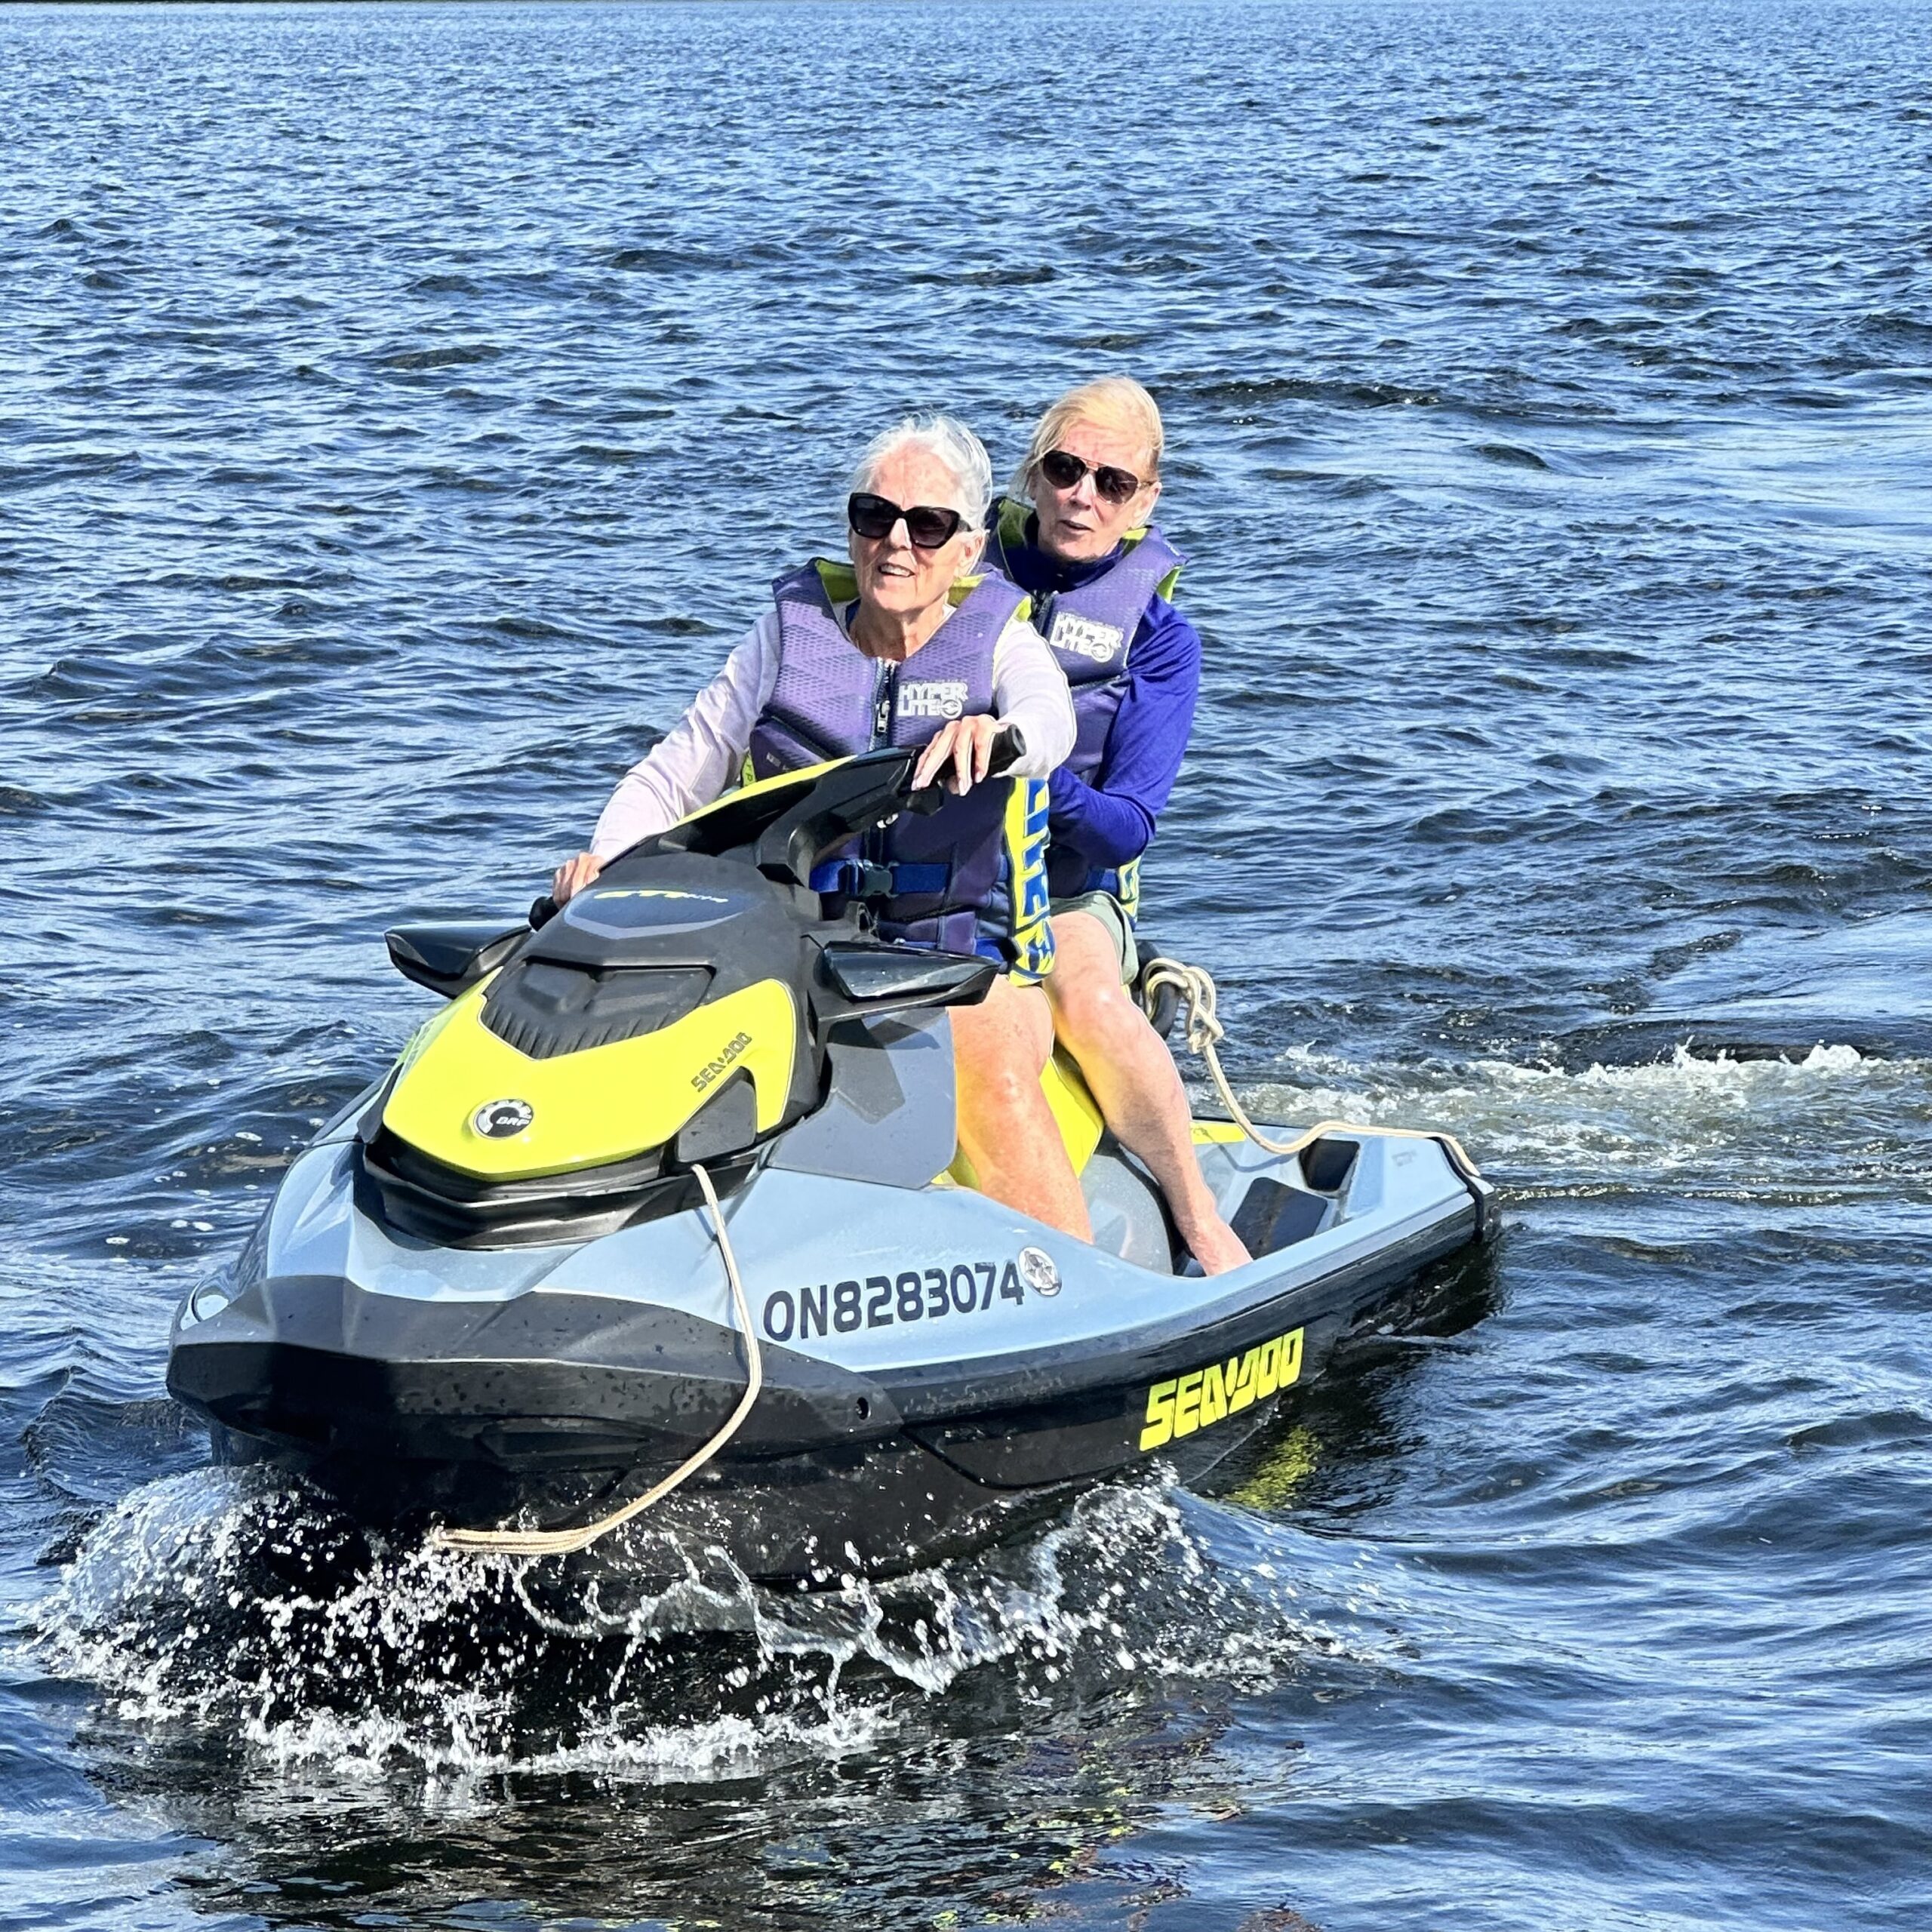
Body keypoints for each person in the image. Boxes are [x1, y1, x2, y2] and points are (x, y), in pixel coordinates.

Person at [549, 415, 1093, 1241]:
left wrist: (1000, 737)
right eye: (874, 517)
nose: (896, 542)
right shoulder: (783, 639)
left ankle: (1078, 1289)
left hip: (961, 965)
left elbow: (1050, 724)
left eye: (927, 524)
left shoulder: (1003, 651)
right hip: (799, 951)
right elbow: (675, 770)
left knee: (988, 1064)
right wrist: (605, 866)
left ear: (967, 550)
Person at [983, 378, 1250, 1274]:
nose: (1082, 496)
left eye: (1111, 482)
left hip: (1063, 887)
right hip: (929, 875)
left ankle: (1196, 1212)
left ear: (1144, 500)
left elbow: (1126, 827)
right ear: (1032, 473)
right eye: (1064, 469)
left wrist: (1029, 773)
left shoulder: (1160, 639)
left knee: (1085, 997)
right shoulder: (955, 573)